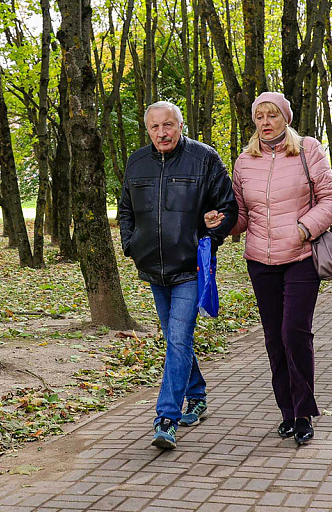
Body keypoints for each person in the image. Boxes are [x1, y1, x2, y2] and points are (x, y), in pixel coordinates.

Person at [219, 91, 332, 446]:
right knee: (274, 338)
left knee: (294, 333)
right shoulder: (245, 161)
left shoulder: (307, 150)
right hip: (260, 261)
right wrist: (222, 222)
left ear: (285, 118)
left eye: (272, 115)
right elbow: (242, 216)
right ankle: (287, 412)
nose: (266, 122)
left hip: (301, 257)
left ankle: (304, 412)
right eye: (259, 116)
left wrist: (305, 228)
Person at [118, 101, 238, 450]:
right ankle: (197, 395)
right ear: (147, 130)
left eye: (168, 125)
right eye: (155, 127)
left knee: (179, 340)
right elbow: (126, 209)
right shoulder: (136, 162)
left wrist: (209, 237)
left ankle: (166, 418)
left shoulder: (204, 158)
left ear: (180, 126)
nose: (162, 133)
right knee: (176, 340)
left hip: (190, 267)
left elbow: (228, 207)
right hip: (153, 268)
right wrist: (131, 245)